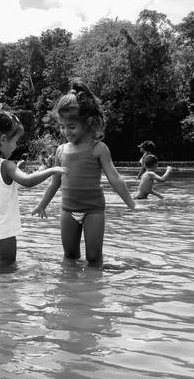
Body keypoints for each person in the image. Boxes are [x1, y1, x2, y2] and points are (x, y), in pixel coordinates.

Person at [31, 79, 137, 266]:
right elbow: (55, 183)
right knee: (70, 256)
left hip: (93, 210)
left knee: (94, 257)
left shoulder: (99, 148)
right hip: (68, 210)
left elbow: (115, 178)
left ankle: (94, 283)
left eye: (71, 127)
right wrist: (42, 205)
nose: (66, 132)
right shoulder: (61, 151)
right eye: (62, 126)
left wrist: (132, 204)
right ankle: (70, 284)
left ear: (88, 123)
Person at [0, 104, 67, 266]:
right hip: (3, 231)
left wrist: (16, 169)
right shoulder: (6, 166)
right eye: (15, 141)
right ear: (3, 140)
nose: (16, 146)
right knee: (9, 270)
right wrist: (52, 170)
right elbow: (28, 181)